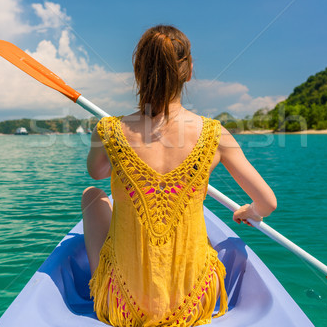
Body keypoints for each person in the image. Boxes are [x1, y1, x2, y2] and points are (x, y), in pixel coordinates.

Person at [82, 25, 277, 327]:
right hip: (193, 304)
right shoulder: (215, 134)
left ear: (138, 71)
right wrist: (248, 211)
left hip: (124, 305)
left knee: (92, 197)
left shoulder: (108, 130)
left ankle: (104, 281)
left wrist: (116, 148)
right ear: (188, 73)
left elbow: (96, 173)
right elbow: (267, 202)